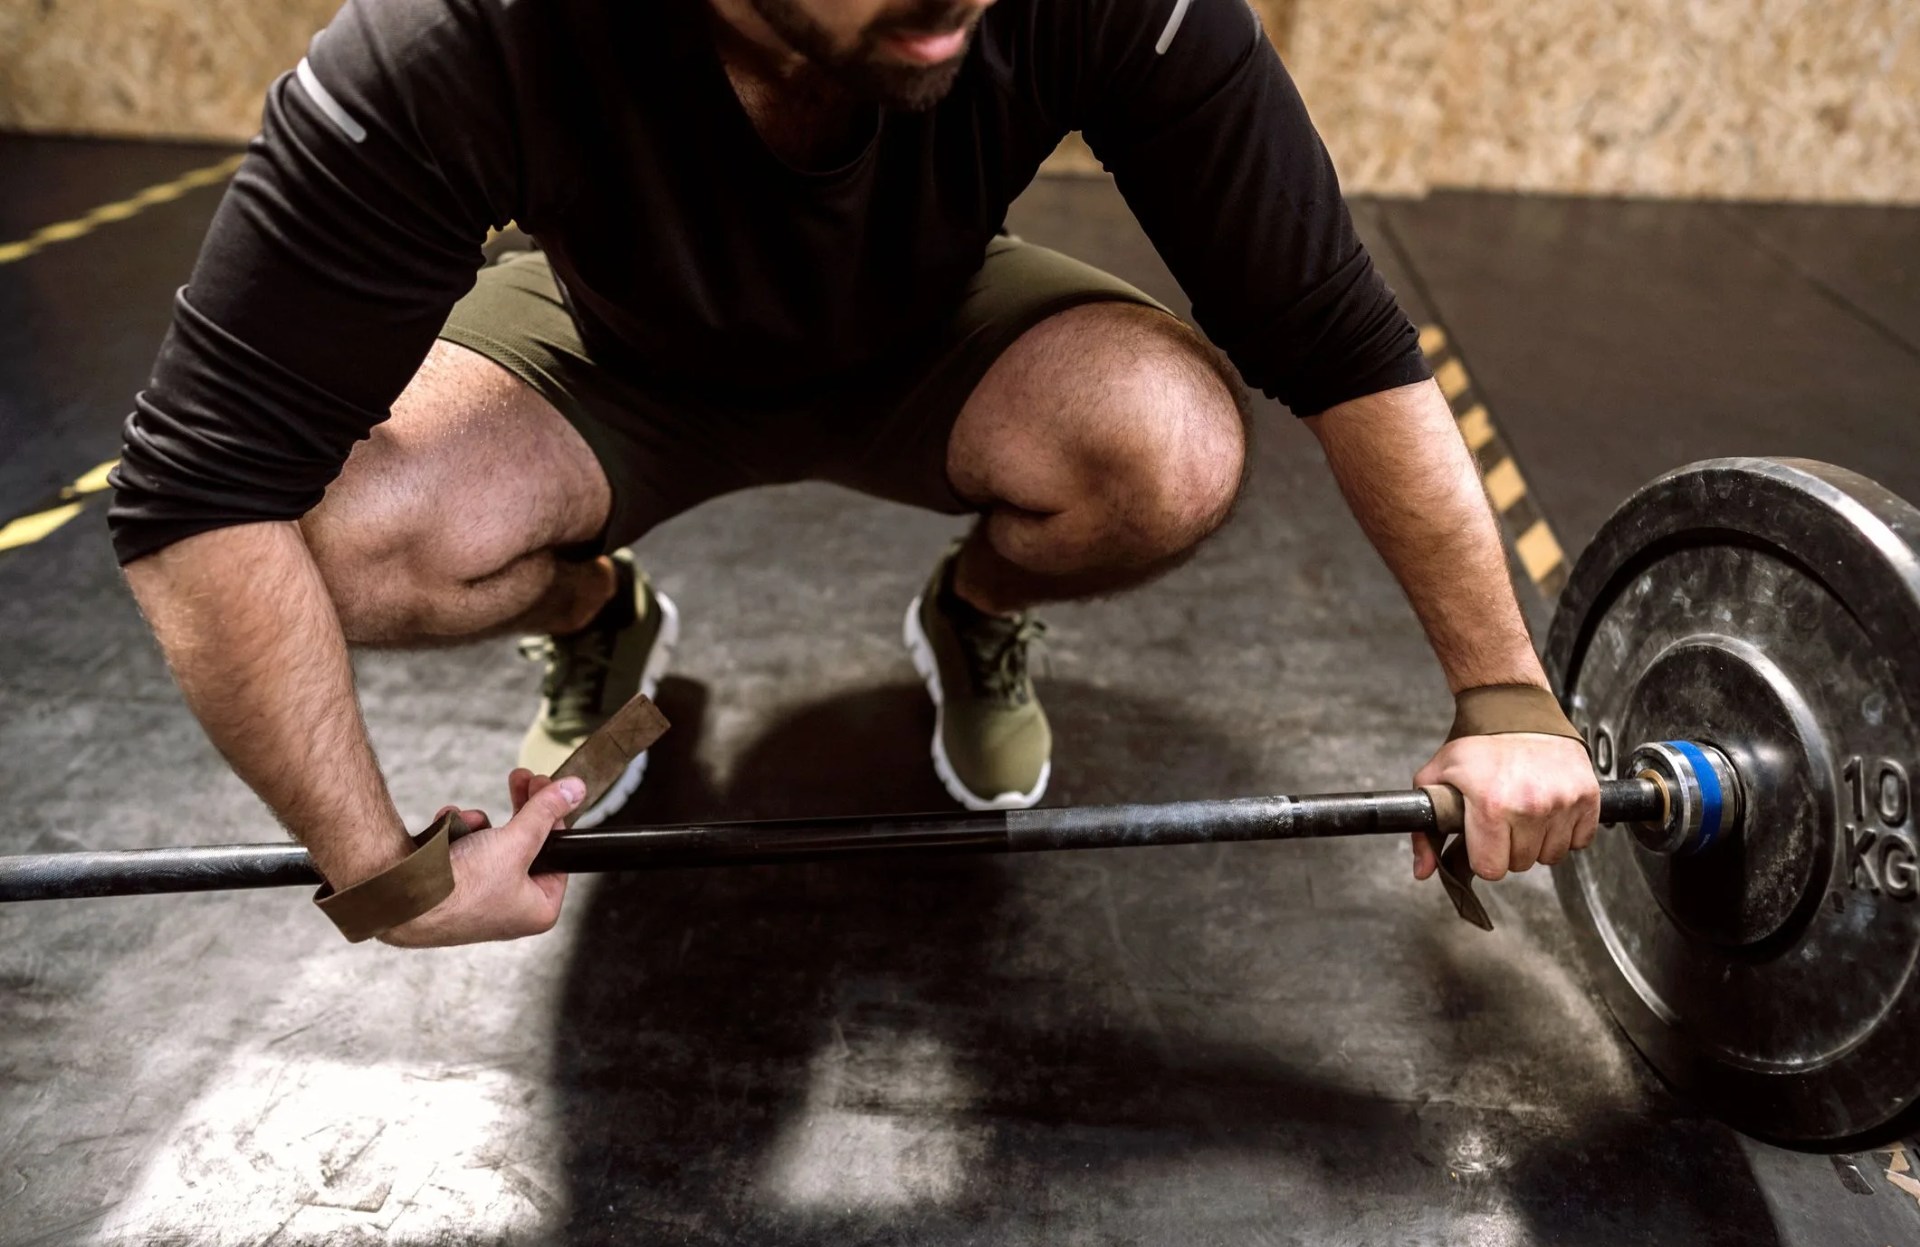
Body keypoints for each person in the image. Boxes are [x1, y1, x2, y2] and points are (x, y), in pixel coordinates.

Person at [108, 0, 1601, 947]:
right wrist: (383, 880)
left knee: (1173, 445)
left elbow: (1335, 338)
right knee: (344, 535)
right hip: (613, 357)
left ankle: (977, 609)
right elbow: (199, 492)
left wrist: (1504, 696)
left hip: (926, 336)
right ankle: (589, 617)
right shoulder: (460, 40)